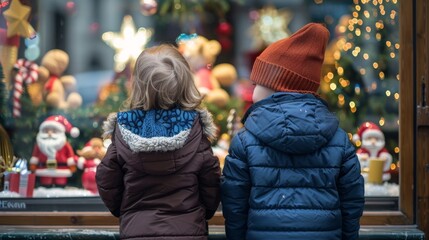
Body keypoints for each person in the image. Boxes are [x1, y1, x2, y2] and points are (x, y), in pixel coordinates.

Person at [221, 23, 365, 240]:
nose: (252, 89)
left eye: (257, 82)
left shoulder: (245, 140)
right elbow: (352, 201)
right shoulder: (338, 140)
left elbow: (234, 205)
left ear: (276, 86)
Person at [96, 44, 221, 240]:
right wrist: (201, 214)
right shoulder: (195, 130)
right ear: (186, 83)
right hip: (189, 230)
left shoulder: (125, 127)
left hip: (136, 230)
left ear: (136, 85)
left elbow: (107, 180)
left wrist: (127, 212)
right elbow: (211, 185)